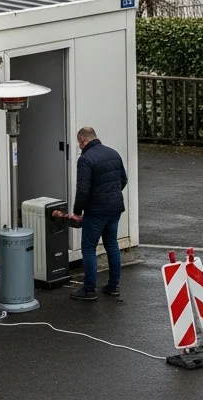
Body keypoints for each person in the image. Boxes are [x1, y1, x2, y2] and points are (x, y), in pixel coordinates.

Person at [67, 126, 128, 301]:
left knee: (88, 248)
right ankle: (113, 285)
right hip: (115, 208)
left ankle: (89, 289)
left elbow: (83, 189)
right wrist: (111, 195)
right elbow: (123, 180)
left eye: (79, 143)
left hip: (96, 211)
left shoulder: (86, 159)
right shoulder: (113, 153)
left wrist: (77, 212)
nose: (79, 147)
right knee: (111, 244)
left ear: (83, 140)